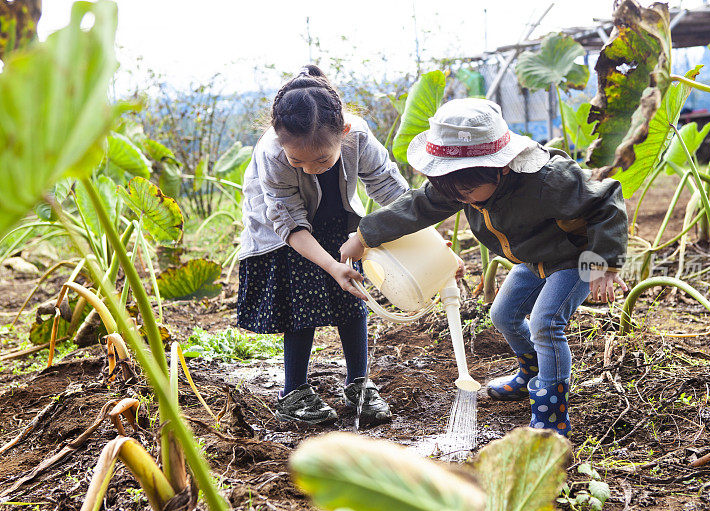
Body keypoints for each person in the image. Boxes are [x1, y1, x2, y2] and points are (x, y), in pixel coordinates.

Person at [340, 98, 628, 436]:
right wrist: (364, 235)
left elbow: (606, 201)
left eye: (467, 191)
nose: (462, 199)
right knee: (503, 315)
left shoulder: (549, 179)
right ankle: (531, 374)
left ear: (501, 166)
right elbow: (418, 206)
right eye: (453, 193)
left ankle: (551, 413)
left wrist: (604, 265)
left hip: (574, 257)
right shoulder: (459, 183)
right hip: (533, 260)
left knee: (546, 322)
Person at [237, 65, 408, 425]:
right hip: (284, 233)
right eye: (297, 160)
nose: (310, 168)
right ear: (279, 140)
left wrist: (430, 241)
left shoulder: (356, 135)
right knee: (302, 304)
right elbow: (288, 222)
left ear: (343, 133)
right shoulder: (273, 154)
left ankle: (359, 383)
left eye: (322, 159)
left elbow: (392, 191)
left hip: (334, 218)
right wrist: (331, 266)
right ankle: (293, 391)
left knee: (352, 297)